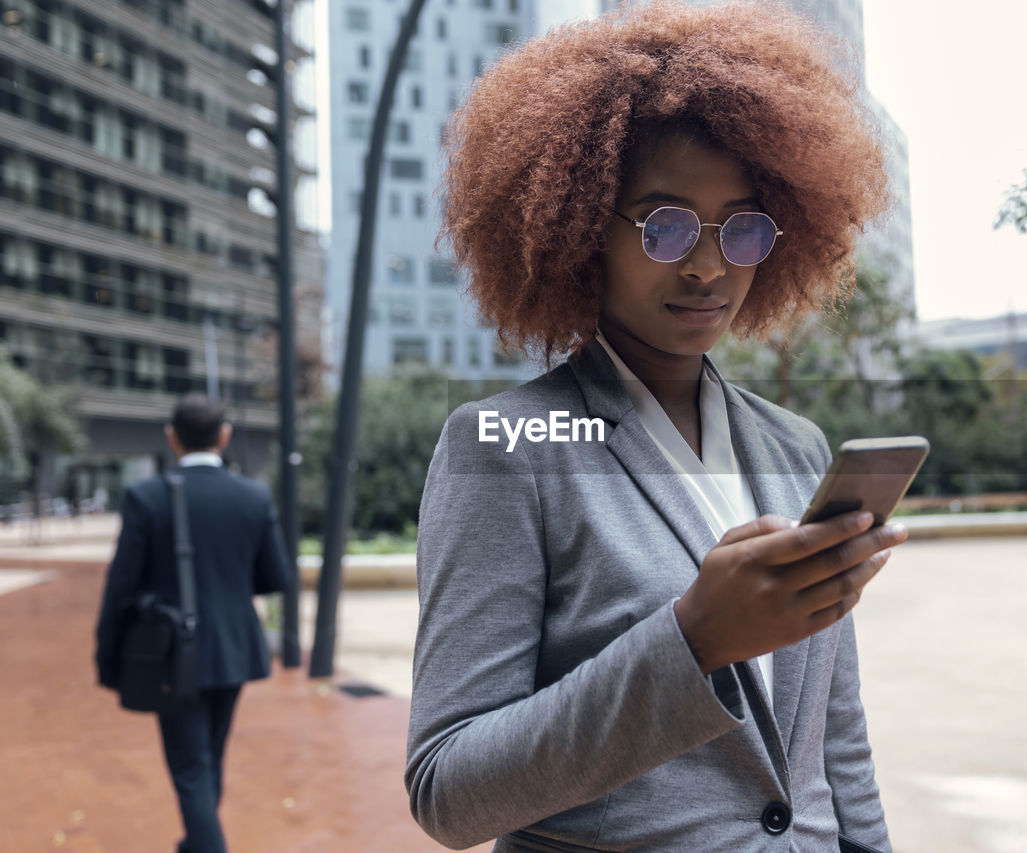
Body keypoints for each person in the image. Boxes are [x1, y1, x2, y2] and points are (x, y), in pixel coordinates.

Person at [406, 2, 903, 850]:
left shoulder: (797, 447)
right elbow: (448, 790)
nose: (708, 264)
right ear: (584, 223)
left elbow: (833, 743)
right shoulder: (506, 448)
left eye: (741, 227)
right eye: (666, 222)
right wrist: (692, 641)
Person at [95, 393, 291, 853]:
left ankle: (205, 844)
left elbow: (120, 586)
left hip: (169, 654)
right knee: (207, 758)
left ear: (171, 437)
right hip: (234, 649)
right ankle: (197, 840)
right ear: (224, 436)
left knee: (189, 766)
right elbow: (274, 577)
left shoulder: (147, 496)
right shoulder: (253, 496)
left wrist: (107, 659)